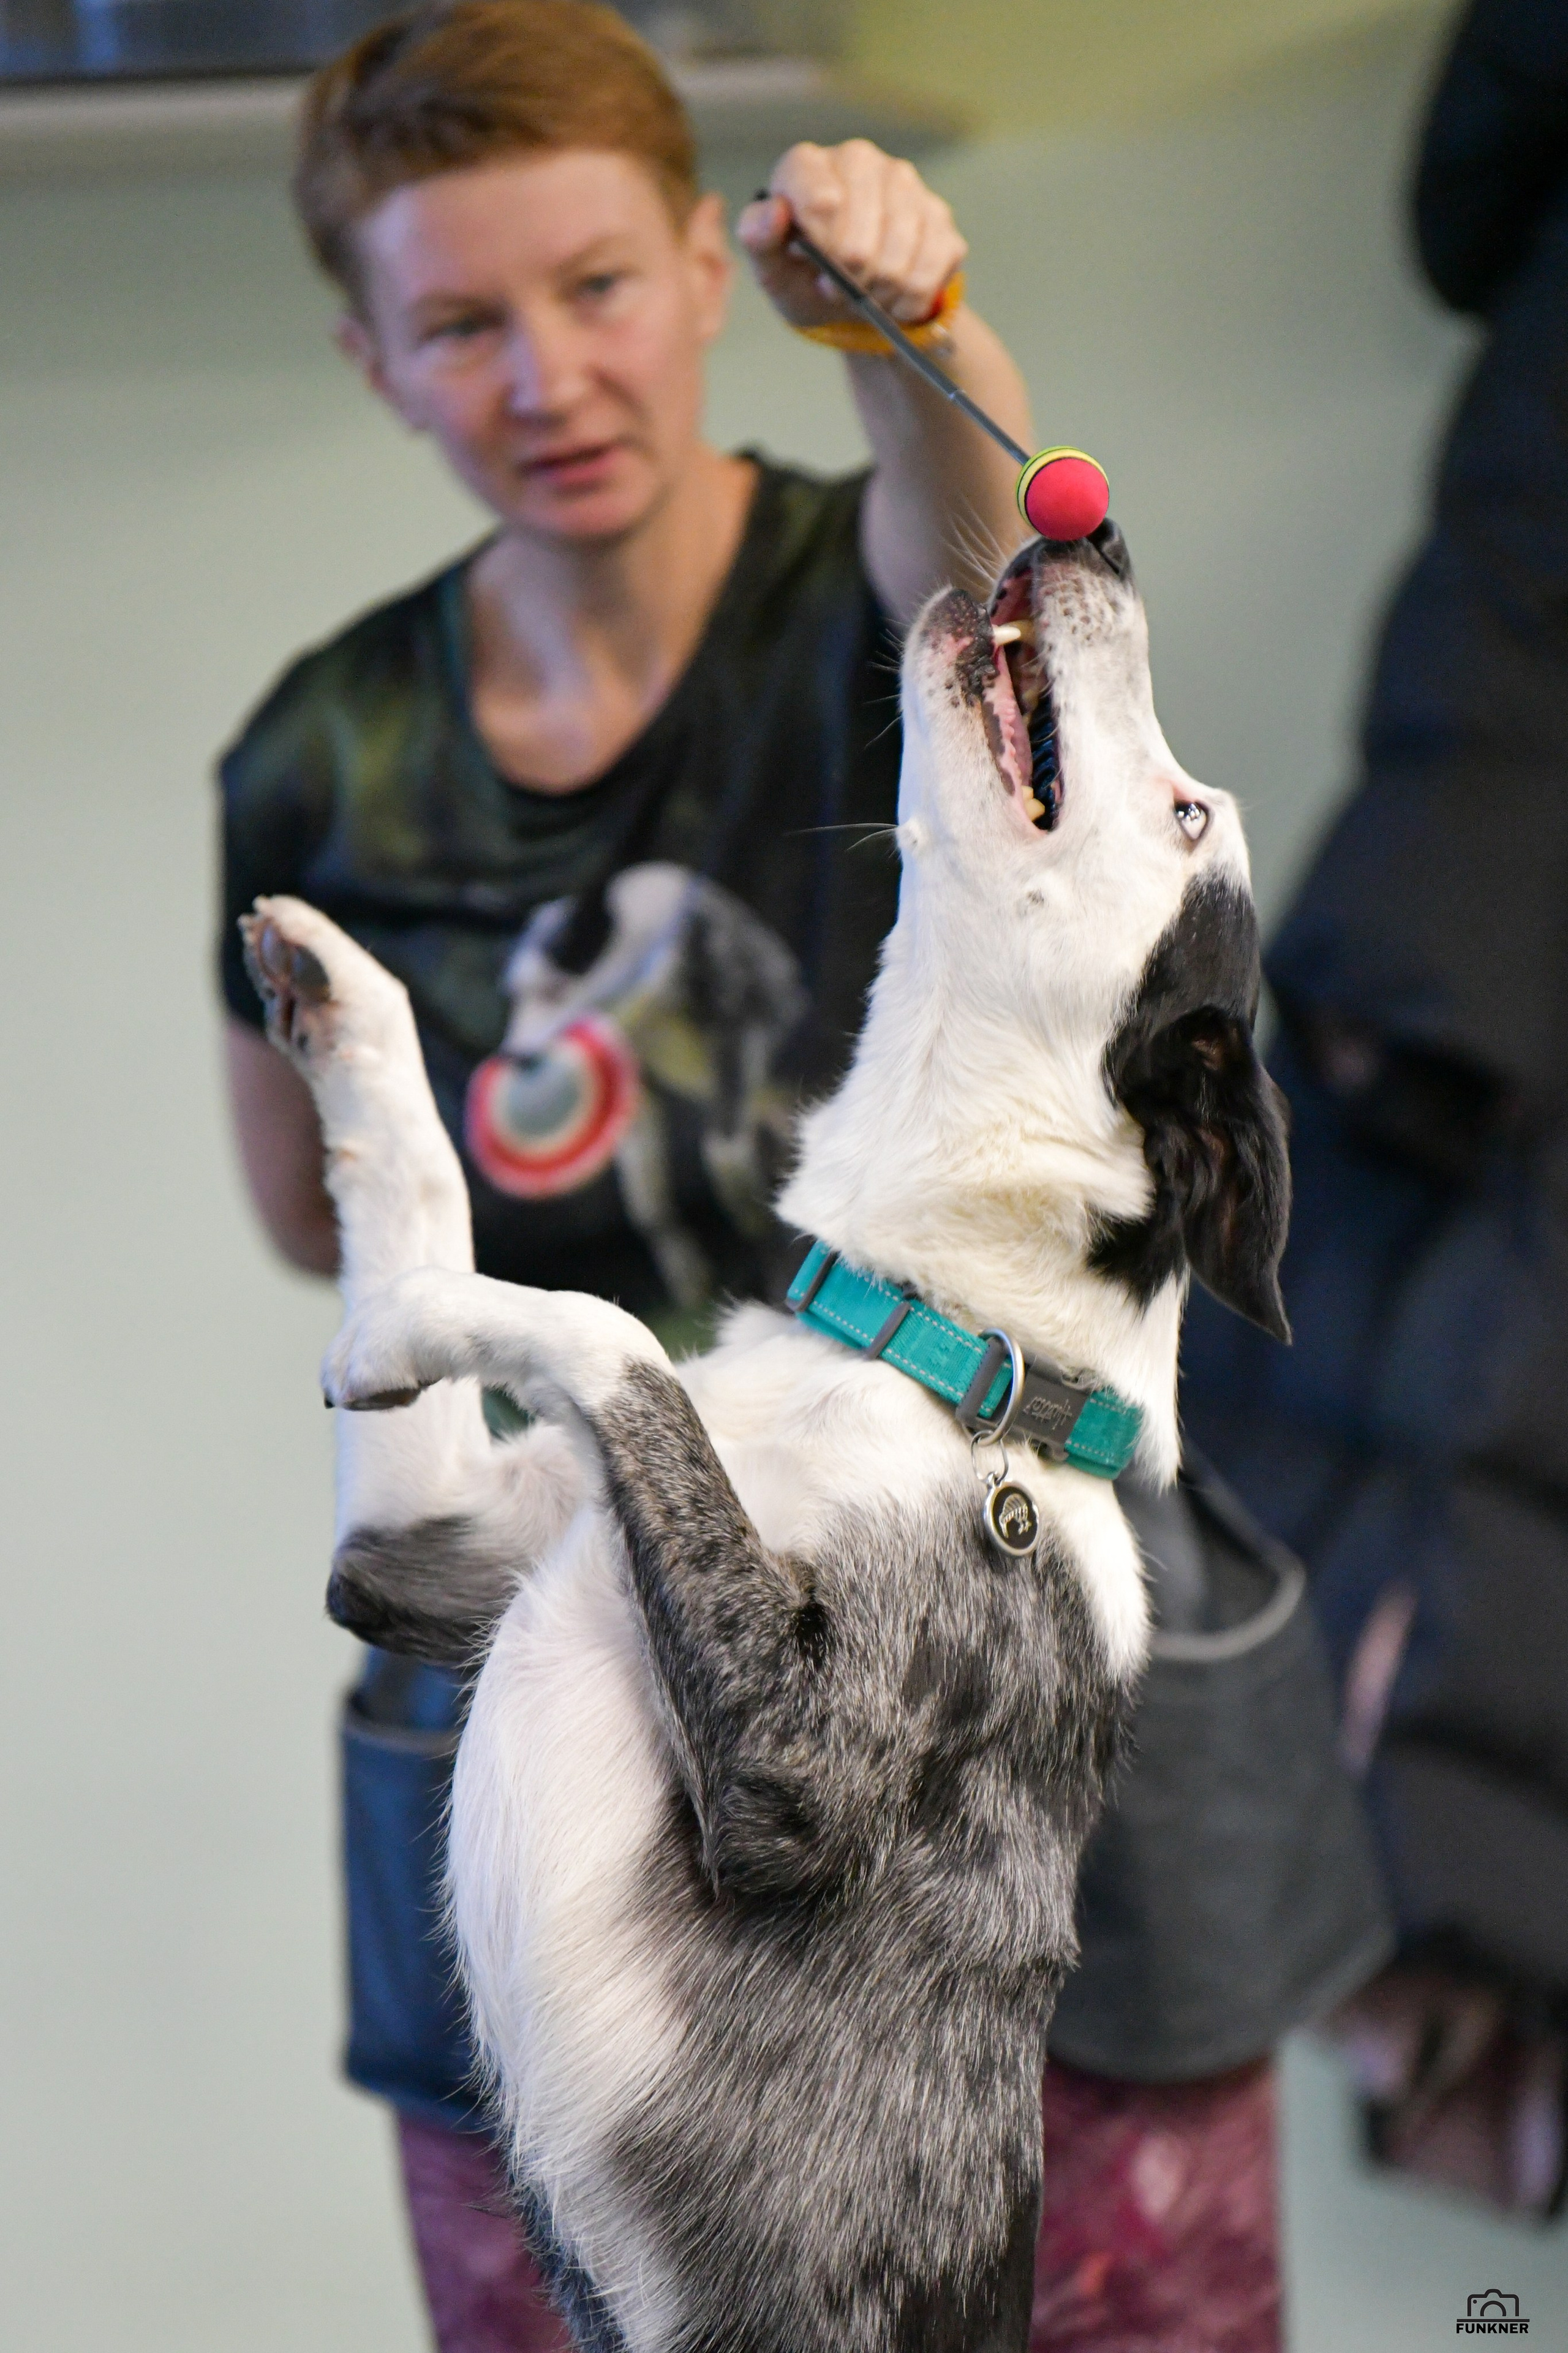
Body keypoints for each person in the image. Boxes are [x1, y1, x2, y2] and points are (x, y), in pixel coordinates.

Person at [221, 5, 1370, 2343]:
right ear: (372, 357)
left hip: (996, 1654)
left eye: (596, 287)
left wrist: (912, 327)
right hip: (597, 1706)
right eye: (462, 320)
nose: (548, 372)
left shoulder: (851, 591)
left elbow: (1019, 621)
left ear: (698, 262)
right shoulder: (322, 749)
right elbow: (297, 1208)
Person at [1182, 0, 1568, 2221]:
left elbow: (1463, 201)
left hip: (1481, 854)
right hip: (1493, 871)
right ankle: (1437, 1996)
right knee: (1429, 1417)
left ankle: (1440, 2001)